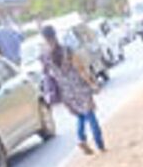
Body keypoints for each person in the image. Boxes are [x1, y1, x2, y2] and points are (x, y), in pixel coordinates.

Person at [40, 25, 106, 154]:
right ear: (55, 34)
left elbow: (46, 75)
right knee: (90, 114)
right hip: (79, 86)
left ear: (44, 38)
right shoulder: (67, 50)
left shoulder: (44, 57)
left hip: (65, 91)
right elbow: (81, 70)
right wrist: (92, 84)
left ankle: (82, 139)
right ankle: (100, 144)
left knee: (80, 116)